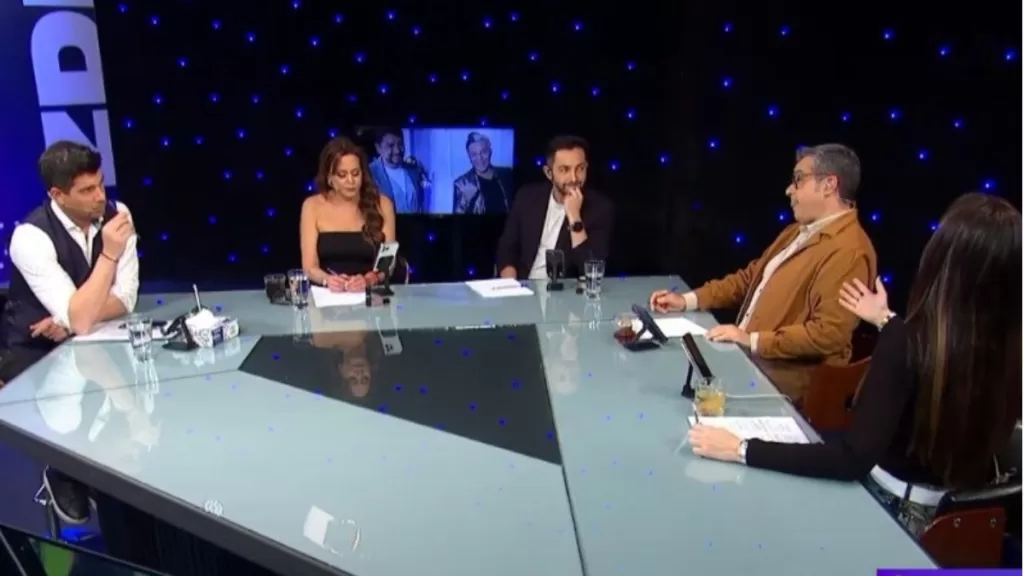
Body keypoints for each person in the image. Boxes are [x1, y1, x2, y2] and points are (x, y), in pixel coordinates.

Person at [689, 193, 1022, 536]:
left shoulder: (905, 343)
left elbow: (852, 458)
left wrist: (741, 449)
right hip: (967, 522)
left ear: (941, 261)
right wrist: (885, 320)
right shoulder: (1009, 347)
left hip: (898, 516)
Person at [649, 144, 876, 402]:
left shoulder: (849, 252)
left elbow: (828, 334)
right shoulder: (796, 231)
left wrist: (752, 340)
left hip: (784, 390)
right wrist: (687, 300)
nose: (789, 190)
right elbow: (748, 279)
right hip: (746, 363)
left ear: (829, 185)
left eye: (799, 180)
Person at [0, 140, 139, 525]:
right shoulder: (30, 237)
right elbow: (81, 318)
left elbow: (125, 299)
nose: (100, 197)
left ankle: (107, 466)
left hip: (92, 335)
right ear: (57, 195)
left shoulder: (118, 214)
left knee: (133, 394)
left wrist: (74, 317)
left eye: (101, 184)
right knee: (66, 421)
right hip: (35, 349)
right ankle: (63, 468)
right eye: (87, 190)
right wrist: (109, 254)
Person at [495, 135, 613, 280]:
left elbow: (591, 272)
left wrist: (575, 217)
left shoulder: (599, 208)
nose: (574, 178)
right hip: (525, 286)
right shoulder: (527, 197)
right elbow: (506, 249)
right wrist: (510, 284)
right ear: (549, 173)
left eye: (580, 169)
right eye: (565, 170)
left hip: (566, 292)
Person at [301, 136, 398, 293]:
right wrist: (328, 280)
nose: (351, 181)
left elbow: (389, 263)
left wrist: (369, 279)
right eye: (342, 175)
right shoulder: (312, 206)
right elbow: (310, 267)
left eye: (355, 173)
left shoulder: (383, 204)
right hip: (328, 297)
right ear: (330, 178)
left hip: (371, 297)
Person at [453, 131, 515, 214]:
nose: (480, 158)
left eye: (483, 152)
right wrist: (469, 200)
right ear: (469, 156)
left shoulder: (507, 174)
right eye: (474, 154)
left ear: (490, 151)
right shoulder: (462, 184)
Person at [367, 127, 427, 213]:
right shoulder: (369, 174)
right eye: (391, 146)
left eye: (400, 144)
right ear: (378, 148)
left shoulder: (413, 170)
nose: (397, 150)